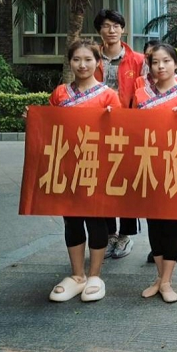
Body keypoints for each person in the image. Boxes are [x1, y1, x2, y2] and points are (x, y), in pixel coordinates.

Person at [45, 40, 121, 302]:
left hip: (96, 167)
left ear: (98, 62)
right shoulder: (60, 93)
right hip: (67, 166)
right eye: (77, 59)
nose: (82, 65)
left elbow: (120, 134)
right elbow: (50, 127)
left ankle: (95, 275)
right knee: (72, 219)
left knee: (95, 219)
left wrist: (113, 119)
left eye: (88, 59)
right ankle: (77, 275)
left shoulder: (108, 96)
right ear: (70, 62)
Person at [135, 42, 177, 304]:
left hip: (176, 164)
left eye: (166, 61)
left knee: (172, 222)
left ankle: (167, 281)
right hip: (149, 163)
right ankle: (158, 278)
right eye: (155, 62)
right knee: (153, 222)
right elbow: (131, 127)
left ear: (176, 64)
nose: (160, 66)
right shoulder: (141, 94)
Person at [93, 9, 145, 260]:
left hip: (128, 129)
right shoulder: (91, 58)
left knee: (125, 182)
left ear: (123, 29)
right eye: (106, 26)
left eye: (115, 26)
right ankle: (109, 234)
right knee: (102, 180)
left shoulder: (138, 60)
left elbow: (146, 91)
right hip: (97, 130)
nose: (111, 30)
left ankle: (125, 235)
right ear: (99, 30)